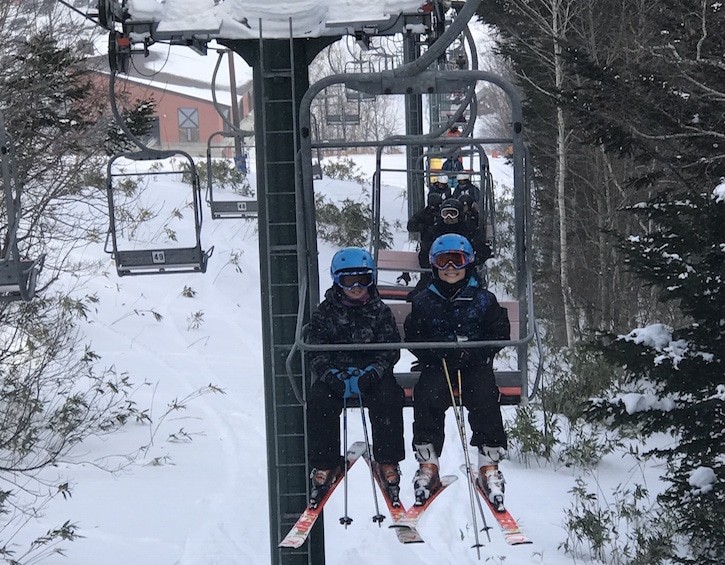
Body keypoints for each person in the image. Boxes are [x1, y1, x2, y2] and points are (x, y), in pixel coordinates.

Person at [403, 234, 511, 510]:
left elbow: (499, 332)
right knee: (427, 392)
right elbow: (414, 335)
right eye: (443, 261)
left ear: (469, 263)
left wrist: (476, 352)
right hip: (438, 365)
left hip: (473, 364)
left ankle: (489, 462)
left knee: (485, 392)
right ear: (434, 265)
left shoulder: (483, 299)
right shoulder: (425, 300)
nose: (451, 267)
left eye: (457, 261)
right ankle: (428, 460)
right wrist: (434, 352)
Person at [305, 247, 405, 508]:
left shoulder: (379, 311)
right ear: (338, 282)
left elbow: (390, 348)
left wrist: (374, 372)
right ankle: (325, 463)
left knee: (388, 396)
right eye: (349, 281)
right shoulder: (325, 313)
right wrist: (330, 375)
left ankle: (387, 459)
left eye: (363, 279)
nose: (357, 286)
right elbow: (314, 348)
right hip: (336, 375)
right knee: (319, 400)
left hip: (371, 374)